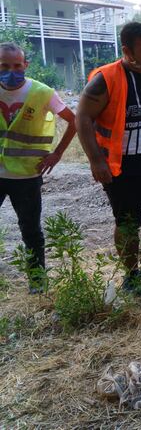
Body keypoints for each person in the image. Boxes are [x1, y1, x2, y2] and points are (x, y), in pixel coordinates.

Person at [75, 22, 141, 290]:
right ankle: (131, 275)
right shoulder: (106, 79)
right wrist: (96, 160)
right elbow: (83, 117)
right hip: (123, 168)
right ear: (127, 50)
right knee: (128, 223)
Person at [0, 42, 76, 292]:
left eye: (16, 66)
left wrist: (57, 154)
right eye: (4, 66)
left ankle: (37, 282)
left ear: (25, 65)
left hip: (27, 176)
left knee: (30, 230)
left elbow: (74, 121)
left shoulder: (42, 93)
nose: (11, 70)